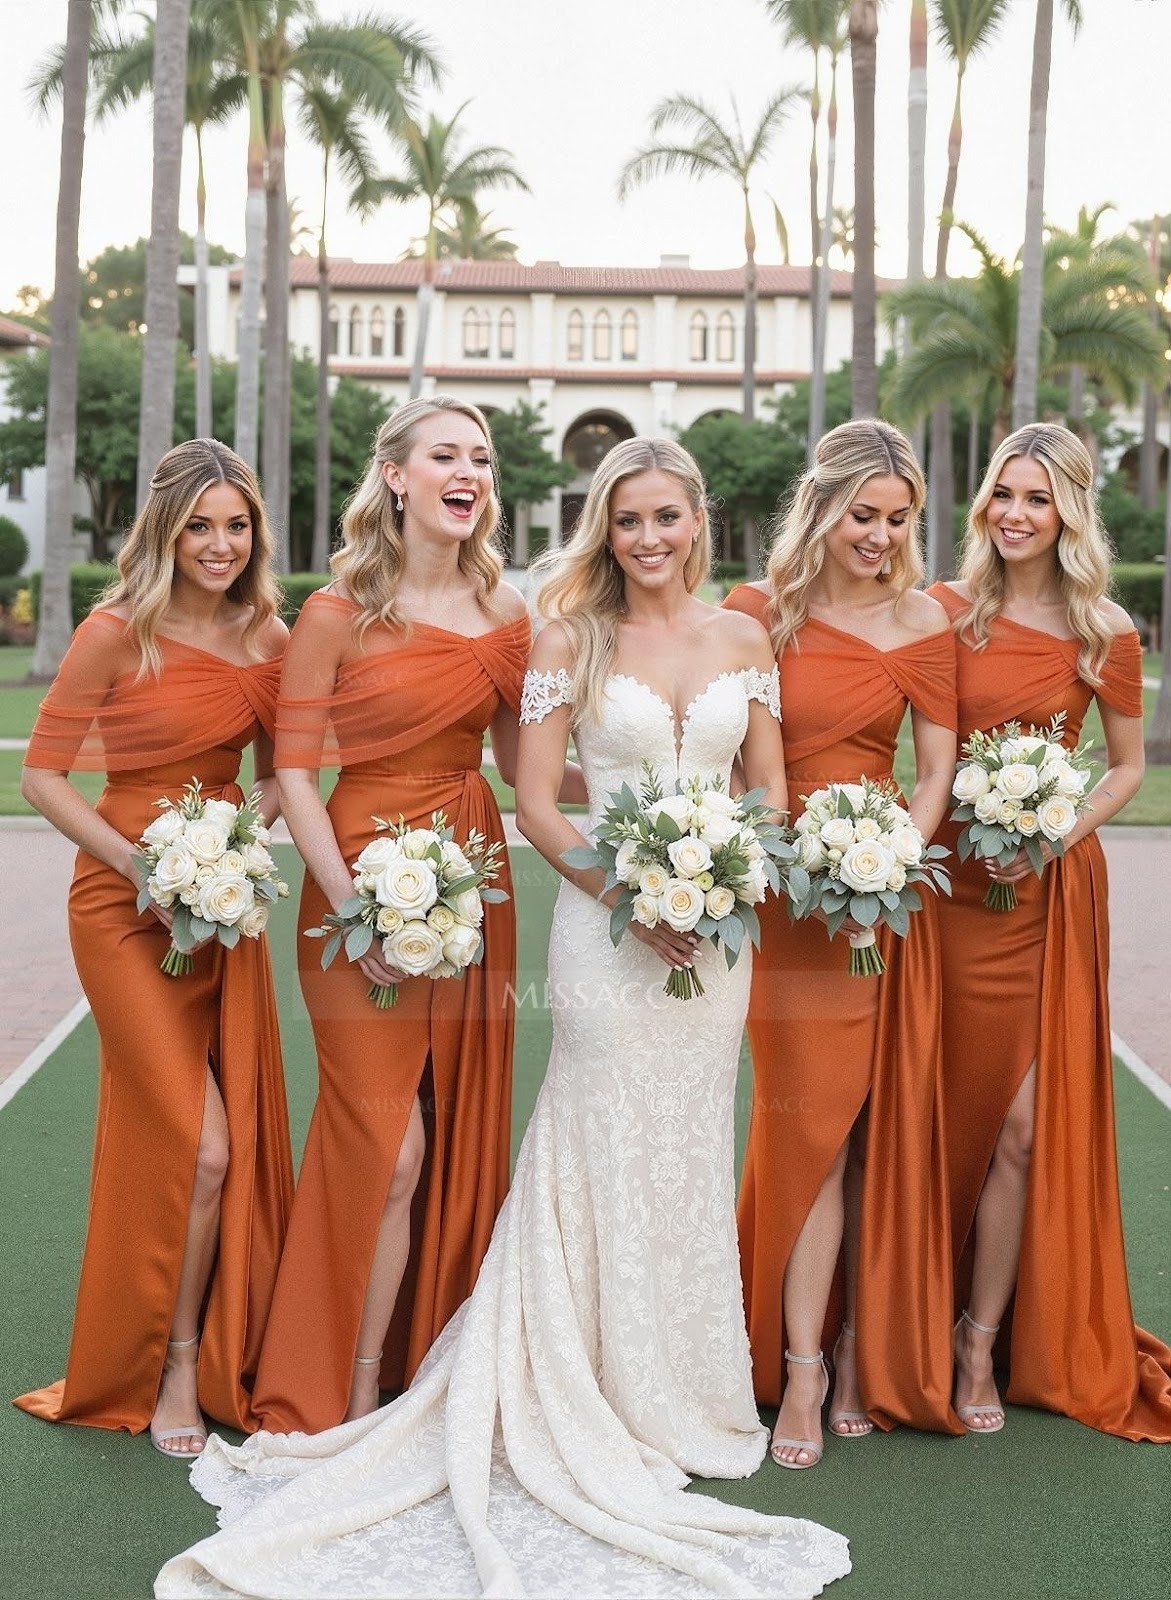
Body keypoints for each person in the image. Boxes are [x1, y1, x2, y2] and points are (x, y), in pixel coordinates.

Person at [154, 438, 851, 1600]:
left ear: (697, 520)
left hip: (715, 937)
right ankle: (519, 1379)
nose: (647, 538)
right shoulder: (563, 635)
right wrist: (632, 888)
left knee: (687, 1144)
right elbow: (532, 799)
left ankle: (682, 1390)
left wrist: (733, 871)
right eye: (626, 519)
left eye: (667, 516)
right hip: (601, 926)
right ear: (602, 526)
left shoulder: (742, 636)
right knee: (577, 1136)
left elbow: (769, 786)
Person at [249, 397, 535, 1434]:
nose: (469, 471)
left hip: (473, 885)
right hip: (351, 888)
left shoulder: (510, 615)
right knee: (389, 1148)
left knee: (449, 1132)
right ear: (399, 476)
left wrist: (666, 792)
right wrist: (351, 901)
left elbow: (522, 769)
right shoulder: (335, 612)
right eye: (446, 454)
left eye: (482, 458)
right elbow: (294, 766)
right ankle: (343, 1381)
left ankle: (408, 1364)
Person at [14, 438, 294, 1457]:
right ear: (164, 529)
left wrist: (230, 846)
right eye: (200, 525)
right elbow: (45, 777)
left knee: (219, 1140)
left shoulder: (270, 637)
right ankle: (164, 1363)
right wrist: (143, 867)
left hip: (221, 906)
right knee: (202, 1142)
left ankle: (193, 1355)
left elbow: (282, 775)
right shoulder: (113, 632)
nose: (220, 544)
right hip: (122, 910)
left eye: (237, 524)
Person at [725, 419, 961, 1469]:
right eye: (861, 515)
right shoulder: (756, 615)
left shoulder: (926, 622)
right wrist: (798, 859)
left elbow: (934, 766)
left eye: (896, 519)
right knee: (805, 1126)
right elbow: (749, 765)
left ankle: (869, 1344)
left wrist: (888, 860)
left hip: (884, 904)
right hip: (789, 902)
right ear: (820, 509)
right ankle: (801, 1367)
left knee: (877, 1128)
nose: (878, 535)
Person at [928, 421, 1171, 1441]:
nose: (1016, 515)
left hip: (1045, 895)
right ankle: (904, 1314)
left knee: (1024, 1129)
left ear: (1069, 511)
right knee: (938, 1115)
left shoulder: (1104, 631)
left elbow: (1125, 766)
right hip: (946, 895)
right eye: (1003, 495)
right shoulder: (944, 612)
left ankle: (980, 1338)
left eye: (1038, 498)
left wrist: (1052, 828)